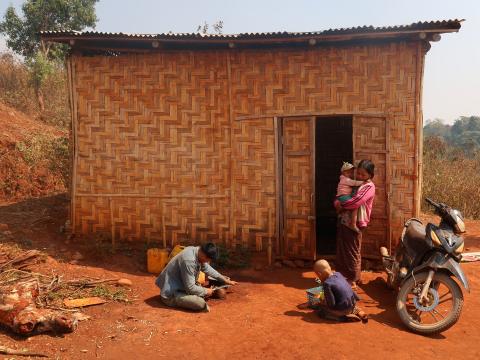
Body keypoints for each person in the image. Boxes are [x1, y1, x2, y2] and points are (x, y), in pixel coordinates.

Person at [155, 242, 237, 312]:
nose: (208, 262)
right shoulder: (189, 261)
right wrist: (206, 291)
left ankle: (204, 292)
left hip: (181, 285)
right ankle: (177, 299)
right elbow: (190, 288)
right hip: (171, 294)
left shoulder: (196, 251)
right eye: (208, 259)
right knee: (200, 303)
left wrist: (224, 280)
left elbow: (207, 268)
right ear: (204, 254)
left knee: (200, 290)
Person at [334, 159, 376, 288]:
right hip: (344, 220)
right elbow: (341, 196)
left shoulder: (369, 187)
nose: (359, 177)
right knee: (343, 250)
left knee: (352, 251)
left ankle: (352, 279)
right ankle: (342, 276)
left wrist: (340, 204)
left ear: (370, 175)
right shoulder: (357, 184)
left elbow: (355, 202)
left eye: (363, 175)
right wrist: (337, 203)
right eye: (358, 174)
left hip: (355, 223)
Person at [298, 260, 368, 323]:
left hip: (341, 310)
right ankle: (359, 312)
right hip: (352, 304)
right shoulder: (338, 274)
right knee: (321, 294)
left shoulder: (327, 284)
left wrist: (322, 302)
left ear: (319, 274)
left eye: (317, 276)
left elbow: (331, 304)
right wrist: (356, 298)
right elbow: (348, 288)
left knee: (321, 312)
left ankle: (344, 318)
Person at [336, 162, 365, 233]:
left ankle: (340, 210)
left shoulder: (344, 179)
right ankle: (353, 224)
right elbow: (354, 183)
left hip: (343, 197)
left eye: (351, 173)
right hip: (344, 197)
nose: (350, 174)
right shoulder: (345, 179)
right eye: (348, 173)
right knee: (355, 206)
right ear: (343, 173)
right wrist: (364, 183)